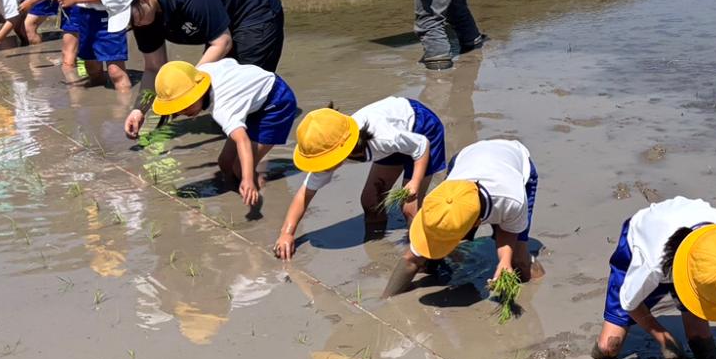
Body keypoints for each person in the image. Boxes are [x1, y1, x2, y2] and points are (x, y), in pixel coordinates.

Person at [592, 198, 716, 359]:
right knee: (608, 347)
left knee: (702, 342)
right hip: (639, 243)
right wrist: (663, 337)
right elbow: (629, 302)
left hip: (692, 249)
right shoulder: (652, 264)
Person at [274, 98, 448, 259]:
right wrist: (287, 233)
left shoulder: (383, 137)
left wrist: (415, 181)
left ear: (342, 150)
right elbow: (304, 195)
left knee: (409, 207)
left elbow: (421, 144)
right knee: (370, 202)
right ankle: (378, 241)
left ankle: (421, 253)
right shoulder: (328, 145)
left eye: (325, 161)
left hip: (422, 129)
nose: (324, 168)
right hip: (395, 143)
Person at [130, 58, 299, 215]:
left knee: (240, 168)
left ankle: (258, 195)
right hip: (253, 101)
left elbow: (243, 141)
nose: (183, 112)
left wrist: (246, 179)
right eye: (178, 108)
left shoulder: (223, 108)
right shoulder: (200, 73)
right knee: (224, 163)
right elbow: (230, 62)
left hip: (276, 104)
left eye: (186, 105)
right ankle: (234, 193)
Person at [394, 137, 535, 298]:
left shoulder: (513, 201)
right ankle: (434, 261)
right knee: (434, 248)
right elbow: (410, 259)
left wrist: (504, 261)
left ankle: (532, 286)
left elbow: (507, 231)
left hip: (515, 164)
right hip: (466, 158)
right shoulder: (440, 197)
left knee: (519, 260)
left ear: (477, 223)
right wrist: (385, 300)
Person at [126, 0, 285, 90]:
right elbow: (154, 69)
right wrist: (139, 111)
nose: (135, 25)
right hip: (222, 24)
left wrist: (188, 82)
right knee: (216, 88)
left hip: (255, 9)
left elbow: (222, 43)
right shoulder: (142, 17)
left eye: (132, 18)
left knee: (245, 86)